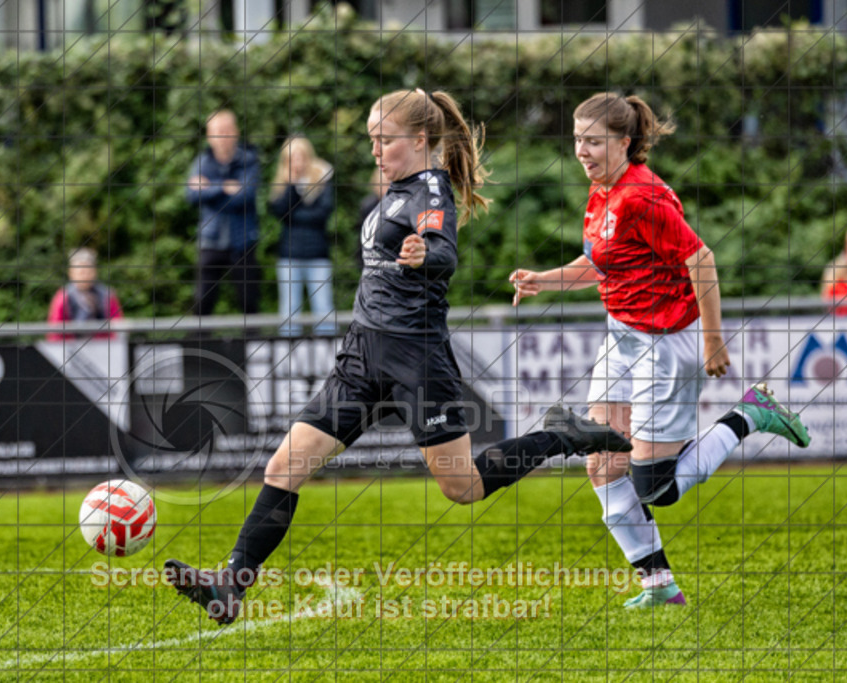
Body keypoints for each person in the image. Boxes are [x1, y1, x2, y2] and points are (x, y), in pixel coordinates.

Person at [164, 88, 633, 625]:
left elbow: (443, 250)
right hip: (363, 353)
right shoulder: (395, 189)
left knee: (463, 488)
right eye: (371, 139)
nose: (374, 150)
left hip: (416, 358)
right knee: (285, 465)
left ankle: (563, 435)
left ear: (419, 139)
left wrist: (424, 254)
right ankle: (232, 584)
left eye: (384, 140)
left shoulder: (430, 191)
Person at [510, 92, 812, 608]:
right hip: (622, 336)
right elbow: (601, 263)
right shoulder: (600, 190)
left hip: (667, 343)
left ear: (625, 142)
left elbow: (703, 260)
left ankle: (751, 414)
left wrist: (713, 339)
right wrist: (545, 280)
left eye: (594, 141)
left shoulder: (642, 197)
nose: (582, 150)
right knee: (602, 463)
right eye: (578, 139)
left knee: (658, 488)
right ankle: (658, 585)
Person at [186, 109, 262, 317]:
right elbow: (191, 196)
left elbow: (244, 197)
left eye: (227, 130)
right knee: (203, 301)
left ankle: (253, 346)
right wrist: (224, 187)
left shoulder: (249, 160)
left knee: (249, 300)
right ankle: (198, 348)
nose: (222, 136)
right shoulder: (201, 162)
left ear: (236, 132)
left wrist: (208, 189)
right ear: (209, 135)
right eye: (217, 131)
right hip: (211, 241)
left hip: (243, 241)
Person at [268, 136, 337, 336]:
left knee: (323, 308)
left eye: (301, 157)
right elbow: (280, 212)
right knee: (289, 310)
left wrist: (295, 215)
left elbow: (321, 214)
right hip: (289, 255)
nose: (297, 162)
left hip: (318, 254)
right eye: (292, 158)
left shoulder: (323, 180)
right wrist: (292, 186)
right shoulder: (283, 185)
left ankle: (330, 360)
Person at [46, 248, 124, 340]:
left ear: (95, 272)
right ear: (71, 273)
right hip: (70, 348)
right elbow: (55, 331)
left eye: (88, 271)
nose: (85, 276)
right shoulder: (63, 297)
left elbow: (117, 324)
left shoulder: (107, 295)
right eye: (81, 272)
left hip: (102, 347)